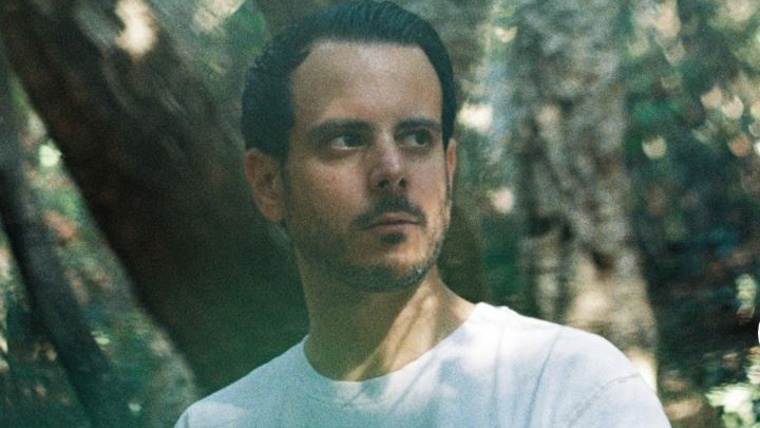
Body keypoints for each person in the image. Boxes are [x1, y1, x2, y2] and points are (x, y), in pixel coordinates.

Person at [175, 1, 671, 427]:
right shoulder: (218, 422)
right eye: (346, 140)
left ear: (449, 167)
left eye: (417, 138)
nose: (392, 170)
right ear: (268, 183)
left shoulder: (571, 388)